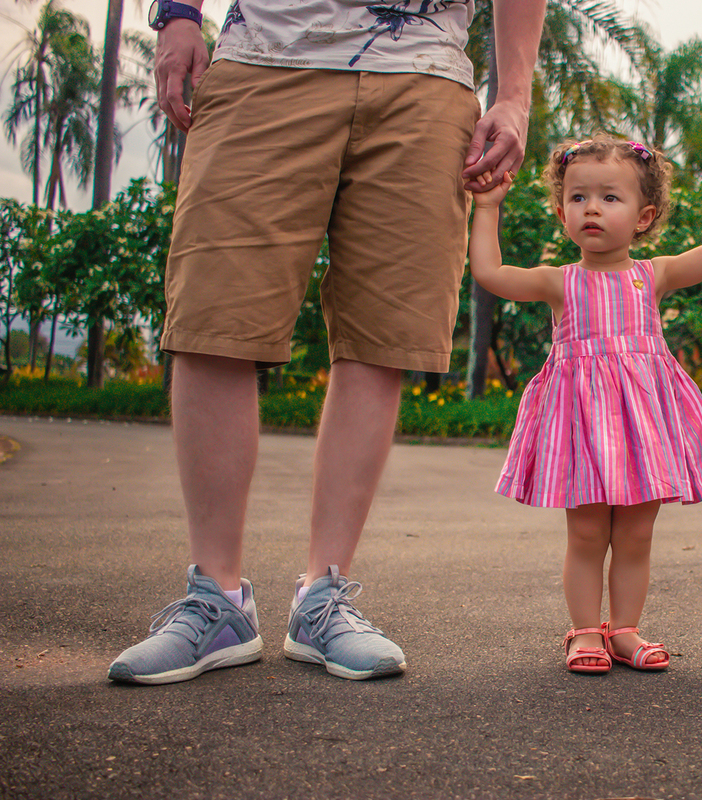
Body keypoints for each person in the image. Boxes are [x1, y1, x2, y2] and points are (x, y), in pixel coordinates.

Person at [107, 0, 547, 684]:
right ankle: (215, 599)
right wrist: (178, 15)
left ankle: (324, 596)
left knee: (383, 335)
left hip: (427, 78)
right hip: (265, 59)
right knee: (214, 317)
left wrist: (514, 94)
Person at [468, 136, 702, 673]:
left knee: (637, 535)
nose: (591, 208)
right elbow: (489, 274)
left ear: (644, 217)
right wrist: (487, 207)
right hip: (584, 430)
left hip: (646, 430)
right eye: (578, 198)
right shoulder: (558, 282)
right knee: (589, 533)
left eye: (609, 198)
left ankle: (625, 630)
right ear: (561, 211)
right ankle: (584, 632)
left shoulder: (652, 276)